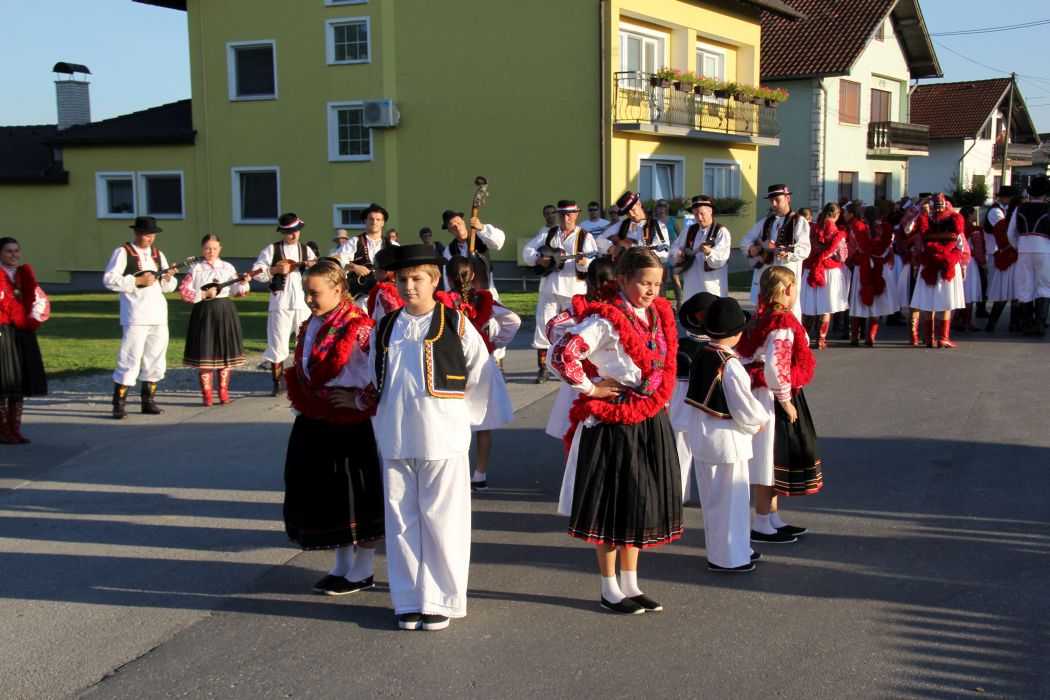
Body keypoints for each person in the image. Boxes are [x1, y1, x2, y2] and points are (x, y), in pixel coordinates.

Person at [548, 247, 682, 615]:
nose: (651, 290)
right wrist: (591, 389)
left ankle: (631, 583)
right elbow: (562, 354)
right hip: (615, 421)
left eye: (657, 284)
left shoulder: (656, 315)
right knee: (612, 505)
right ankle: (609, 588)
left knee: (638, 501)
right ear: (622, 280)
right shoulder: (605, 319)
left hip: (649, 417)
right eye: (644, 283)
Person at [369, 244, 494, 631]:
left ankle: (440, 599)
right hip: (395, 436)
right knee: (401, 520)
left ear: (434, 280)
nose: (409, 286)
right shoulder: (385, 326)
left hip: (442, 438)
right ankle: (408, 598)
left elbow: (480, 375)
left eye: (417, 278)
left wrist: (461, 422)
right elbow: (375, 376)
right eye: (402, 279)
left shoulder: (455, 323)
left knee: (443, 520)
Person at [283, 259, 384, 596]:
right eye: (306, 292)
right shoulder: (313, 323)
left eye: (315, 293)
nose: (309, 299)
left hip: (350, 425)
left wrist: (358, 399)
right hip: (316, 420)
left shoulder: (360, 327)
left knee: (356, 494)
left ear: (338, 289)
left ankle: (363, 569)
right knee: (329, 495)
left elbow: (382, 372)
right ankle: (342, 565)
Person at [735, 266, 821, 544]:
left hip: (765, 391)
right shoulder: (781, 321)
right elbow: (776, 366)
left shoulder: (762, 316)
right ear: (788, 289)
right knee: (769, 457)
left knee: (771, 456)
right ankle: (762, 522)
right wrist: (785, 401)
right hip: (772, 395)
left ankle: (771, 518)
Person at [684, 297, 770, 572]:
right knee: (731, 503)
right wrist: (759, 420)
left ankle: (735, 549)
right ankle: (728, 558)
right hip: (727, 442)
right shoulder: (730, 364)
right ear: (737, 334)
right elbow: (743, 404)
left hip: (703, 437)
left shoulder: (702, 354)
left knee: (714, 501)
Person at [437, 255, 518, 491]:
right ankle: (479, 475)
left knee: (452, 419)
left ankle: (456, 474)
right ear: (472, 276)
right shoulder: (483, 300)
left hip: (451, 361)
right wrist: (496, 342)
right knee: (483, 421)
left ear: (447, 277)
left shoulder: (442, 301)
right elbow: (513, 320)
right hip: (481, 361)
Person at [103, 216, 178, 419]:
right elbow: (109, 279)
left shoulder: (157, 254)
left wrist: (169, 278)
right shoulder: (123, 252)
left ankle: (148, 401)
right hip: (135, 314)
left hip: (158, 314)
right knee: (130, 358)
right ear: (136, 233)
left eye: (153, 235)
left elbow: (166, 287)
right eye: (146, 235)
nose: (150, 238)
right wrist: (137, 281)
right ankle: (119, 404)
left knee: (156, 359)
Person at [523, 199, 597, 383]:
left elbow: (593, 261)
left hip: (574, 290)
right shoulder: (548, 234)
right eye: (562, 214)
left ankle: (573, 364)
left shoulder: (585, 236)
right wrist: (539, 259)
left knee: (575, 328)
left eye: (569, 214)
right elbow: (527, 251)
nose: (565, 218)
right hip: (549, 286)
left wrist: (584, 262)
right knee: (543, 326)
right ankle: (543, 368)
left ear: (576, 214)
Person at [544, 257, 617, 442]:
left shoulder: (580, 308)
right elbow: (553, 326)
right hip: (601, 377)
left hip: (583, 374)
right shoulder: (613, 307)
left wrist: (562, 341)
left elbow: (553, 326)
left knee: (578, 431)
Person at [179, 234, 251, 405]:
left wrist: (243, 283)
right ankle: (207, 395)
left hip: (224, 311)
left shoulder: (227, 267)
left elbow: (238, 292)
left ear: (220, 249)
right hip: (203, 312)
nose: (211, 251)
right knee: (205, 351)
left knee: (224, 352)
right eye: (207, 248)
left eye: (214, 248)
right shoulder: (196, 268)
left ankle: (223, 392)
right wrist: (203, 294)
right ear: (202, 249)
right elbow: (184, 291)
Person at [668, 291, 717, 505]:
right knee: (711, 458)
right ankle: (713, 498)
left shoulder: (677, 346)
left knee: (680, 454)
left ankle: (677, 497)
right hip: (709, 408)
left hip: (680, 406)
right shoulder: (719, 350)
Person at [0, 237, 49, 443]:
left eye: (16, 251)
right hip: (2, 331)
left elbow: (40, 300)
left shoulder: (23, 275)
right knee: (4, 381)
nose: (14, 255)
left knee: (19, 381)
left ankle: (15, 427)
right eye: (8, 251)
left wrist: (32, 318)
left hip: (21, 331)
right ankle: (3, 430)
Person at [740, 185, 811, 320]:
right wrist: (750, 247)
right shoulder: (765, 222)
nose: (773, 204)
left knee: (788, 312)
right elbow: (745, 239)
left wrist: (788, 253)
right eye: (771, 201)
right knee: (764, 312)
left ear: (787, 198)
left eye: (777, 200)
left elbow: (804, 249)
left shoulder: (799, 222)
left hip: (787, 276)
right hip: (766, 276)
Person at [910, 193, 966, 348]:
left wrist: (916, 266)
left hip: (929, 263)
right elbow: (961, 245)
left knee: (929, 301)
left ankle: (929, 338)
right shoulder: (954, 221)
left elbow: (918, 246)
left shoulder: (925, 221)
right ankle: (943, 337)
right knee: (946, 301)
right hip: (948, 262)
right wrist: (963, 265)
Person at [799, 202, 848, 348]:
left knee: (809, 305)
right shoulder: (837, 233)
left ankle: (804, 338)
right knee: (826, 306)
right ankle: (820, 340)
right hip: (829, 271)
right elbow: (842, 255)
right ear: (837, 215)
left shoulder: (811, 229)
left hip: (811, 269)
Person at [847, 206, 897, 347]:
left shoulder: (857, 230)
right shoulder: (886, 230)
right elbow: (890, 250)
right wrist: (888, 263)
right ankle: (871, 337)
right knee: (877, 302)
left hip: (862, 266)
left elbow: (851, 250)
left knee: (858, 301)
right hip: (880, 266)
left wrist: (852, 261)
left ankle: (855, 336)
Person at [1008, 175, 1050, 337]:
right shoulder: (1048, 208)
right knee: (1044, 287)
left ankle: (1025, 325)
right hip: (1044, 250)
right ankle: (1039, 325)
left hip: (1024, 250)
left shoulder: (1020, 208)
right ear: (1045, 193)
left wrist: (1019, 246)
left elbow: (1010, 233)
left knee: (1025, 287)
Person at [671, 195, 731, 299]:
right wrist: (678, 254)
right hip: (691, 288)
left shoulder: (721, 231)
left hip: (712, 288)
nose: (699, 218)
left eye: (702, 213)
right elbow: (674, 248)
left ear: (710, 211)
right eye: (695, 214)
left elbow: (722, 258)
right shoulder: (689, 230)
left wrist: (709, 252)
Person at [336, 203, 395, 307]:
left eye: (378, 219)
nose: (374, 222)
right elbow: (336, 261)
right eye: (371, 219)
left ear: (383, 223)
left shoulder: (392, 245)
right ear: (365, 221)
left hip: (387, 296)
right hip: (361, 298)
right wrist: (354, 267)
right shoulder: (354, 242)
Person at [440, 209, 506, 299]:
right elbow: (447, 275)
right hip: (462, 296)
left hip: (487, 291)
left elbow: (498, 244)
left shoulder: (481, 236)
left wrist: (482, 227)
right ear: (449, 231)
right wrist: (451, 297)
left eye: (458, 223)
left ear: (463, 222)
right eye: (452, 226)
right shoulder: (450, 250)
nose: (457, 227)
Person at [985, 194, 1022, 333]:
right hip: (1015, 260)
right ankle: (1014, 325)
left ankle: (992, 324)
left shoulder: (1000, 224)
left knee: (1002, 293)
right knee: (1016, 293)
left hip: (1002, 259)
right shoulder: (1018, 224)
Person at [606, 191, 671, 262]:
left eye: (633, 209)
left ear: (639, 204)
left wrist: (644, 253)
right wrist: (613, 247)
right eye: (628, 213)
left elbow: (665, 254)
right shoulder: (622, 224)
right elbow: (600, 239)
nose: (632, 214)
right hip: (626, 267)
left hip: (647, 266)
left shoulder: (658, 226)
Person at [955, 206, 985, 332]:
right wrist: (982, 263)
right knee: (970, 293)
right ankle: (966, 322)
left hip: (957, 261)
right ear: (969, 214)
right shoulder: (974, 230)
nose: (974, 216)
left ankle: (956, 320)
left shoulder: (957, 228)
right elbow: (978, 249)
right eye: (973, 214)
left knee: (961, 292)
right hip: (970, 262)